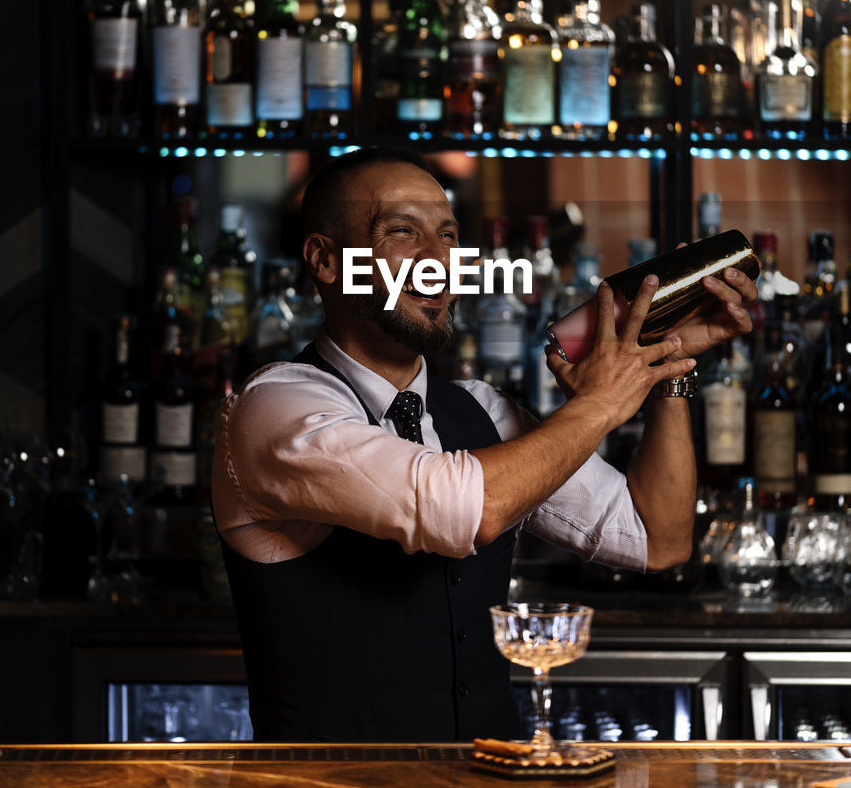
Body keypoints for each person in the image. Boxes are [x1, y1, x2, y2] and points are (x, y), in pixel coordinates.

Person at [212, 146, 758, 743]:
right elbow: (468, 506)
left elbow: (660, 539)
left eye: (448, 237)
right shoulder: (276, 407)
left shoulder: (483, 411)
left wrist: (666, 364)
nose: (437, 260)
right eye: (402, 233)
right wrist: (600, 401)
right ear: (325, 260)